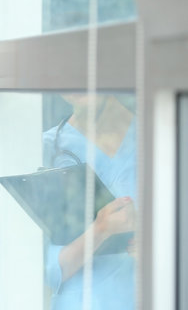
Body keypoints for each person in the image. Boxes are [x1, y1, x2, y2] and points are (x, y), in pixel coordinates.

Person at [42, 94, 137, 309]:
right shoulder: (48, 148)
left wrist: (158, 246)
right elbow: (44, 270)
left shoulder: (162, 132)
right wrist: (101, 230)